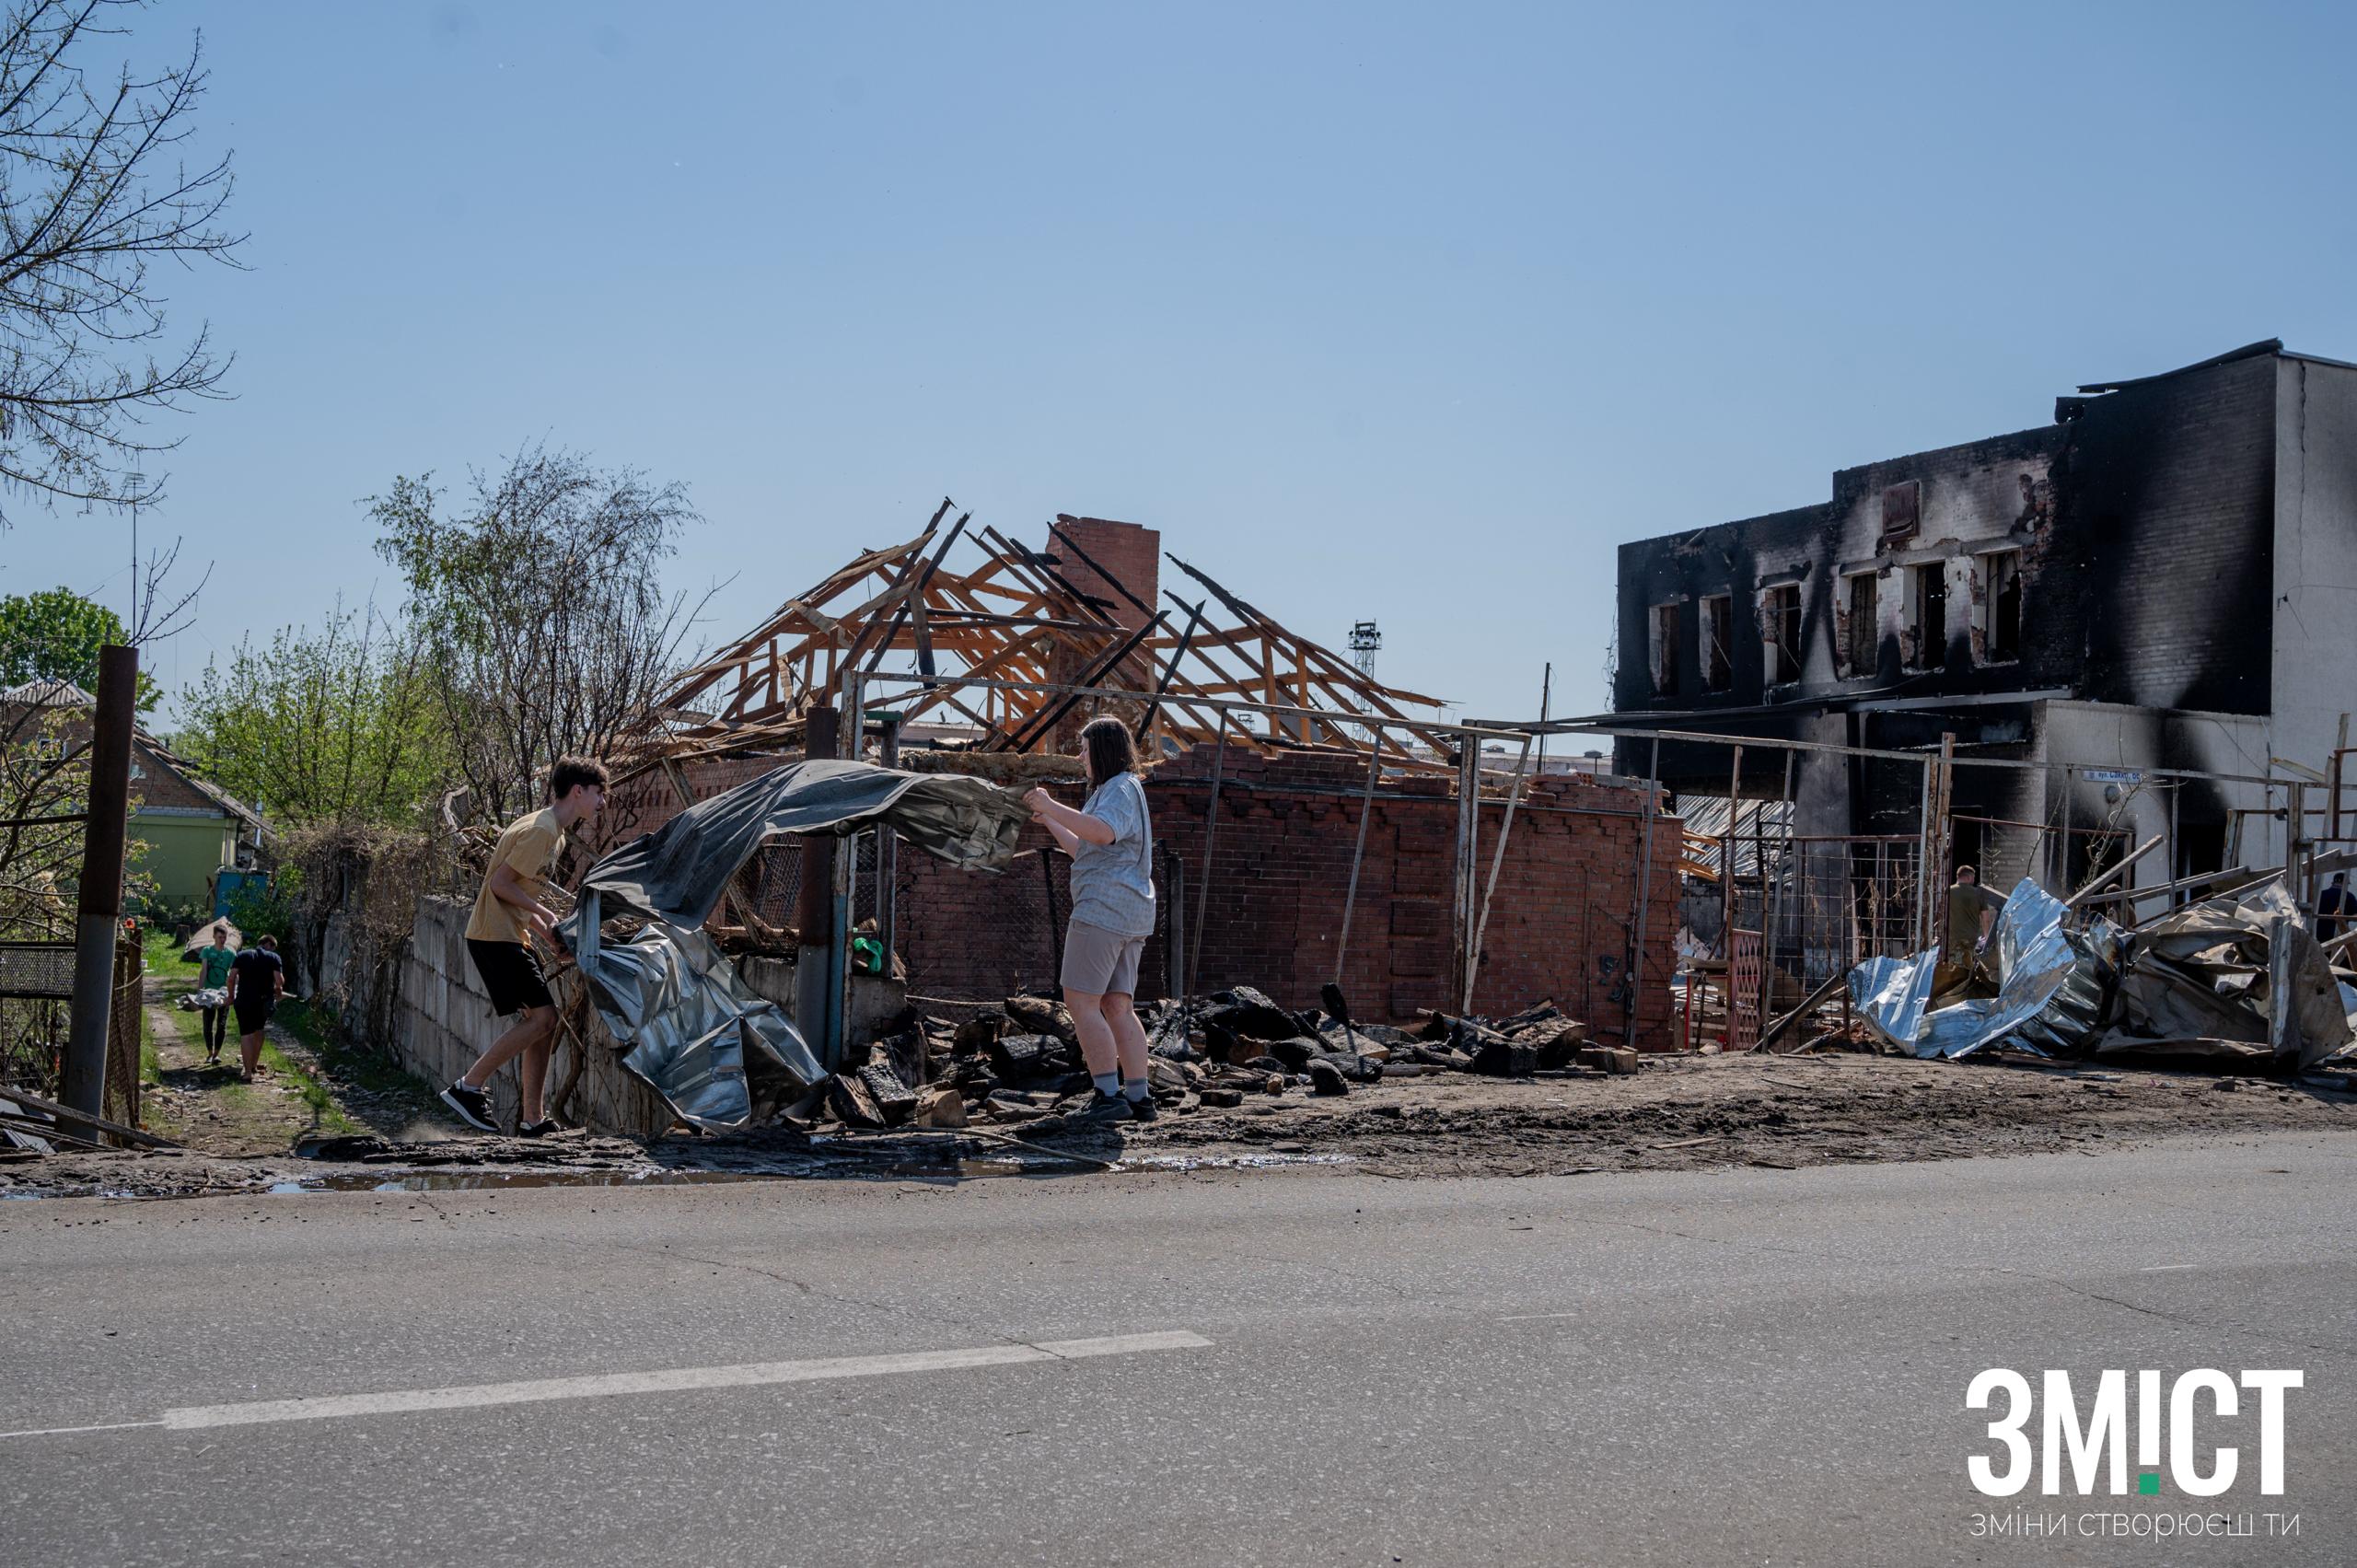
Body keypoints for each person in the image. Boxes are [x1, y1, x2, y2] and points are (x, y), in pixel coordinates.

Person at [440, 756, 609, 1137]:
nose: (602, 802)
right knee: (544, 1019)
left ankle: (533, 1120)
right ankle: (468, 1087)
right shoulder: (542, 831)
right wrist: (546, 912)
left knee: (545, 1024)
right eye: (599, 793)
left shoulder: (554, 831)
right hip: (494, 936)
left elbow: (515, 893)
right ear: (578, 791)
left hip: (509, 934)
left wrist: (547, 933)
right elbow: (499, 885)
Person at [1026, 717, 1157, 1124]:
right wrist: (1050, 819)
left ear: (1102, 750)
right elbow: (1086, 848)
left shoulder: (1117, 788)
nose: (1080, 757)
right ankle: (1139, 1098)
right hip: (1131, 912)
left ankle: (1107, 1095)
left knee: (1080, 1001)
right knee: (1118, 1004)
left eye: (1084, 749)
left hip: (1102, 909)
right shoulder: (1122, 789)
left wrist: (1051, 805)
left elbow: (1101, 833)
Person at [223, 935, 284, 1084]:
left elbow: (231, 978)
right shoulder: (274, 957)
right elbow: (279, 981)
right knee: (259, 1030)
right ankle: (253, 1065)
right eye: (273, 947)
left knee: (246, 1035)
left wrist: (230, 996)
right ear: (268, 944)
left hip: (244, 1000)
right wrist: (278, 991)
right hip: (263, 1002)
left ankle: (248, 1073)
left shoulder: (242, 955)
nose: (272, 950)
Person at [1938, 865, 2004, 993]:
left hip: (1952, 940)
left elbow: (1941, 915)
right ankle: (1964, 994)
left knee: (1954, 968)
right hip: (1970, 940)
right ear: (1968, 877)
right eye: (1973, 878)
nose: (1974, 881)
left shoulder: (1948, 892)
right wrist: (1986, 938)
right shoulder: (1978, 894)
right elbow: (1985, 918)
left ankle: (1950, 994)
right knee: (1969, 969)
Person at [196, 926, 237, 1065]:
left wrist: (233, 992)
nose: (222, 940)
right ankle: (209, 1053)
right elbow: (203, 971)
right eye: (220, 937)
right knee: (208, 1024)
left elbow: (234, 974)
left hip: (224, 993)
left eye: (224, 937)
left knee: (222, 1024)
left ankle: (216, 1054)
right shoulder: (207, 951)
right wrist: (200, 991)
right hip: (209, 992)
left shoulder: (230, 953)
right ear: (214, 936)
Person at [2320, 872, 2351, 944]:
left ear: (2333, 883)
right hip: (2340, 936)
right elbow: (2354, 915)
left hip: (2319, 934)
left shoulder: (2321, 894)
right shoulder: (2349, 896)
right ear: (2345, 884)